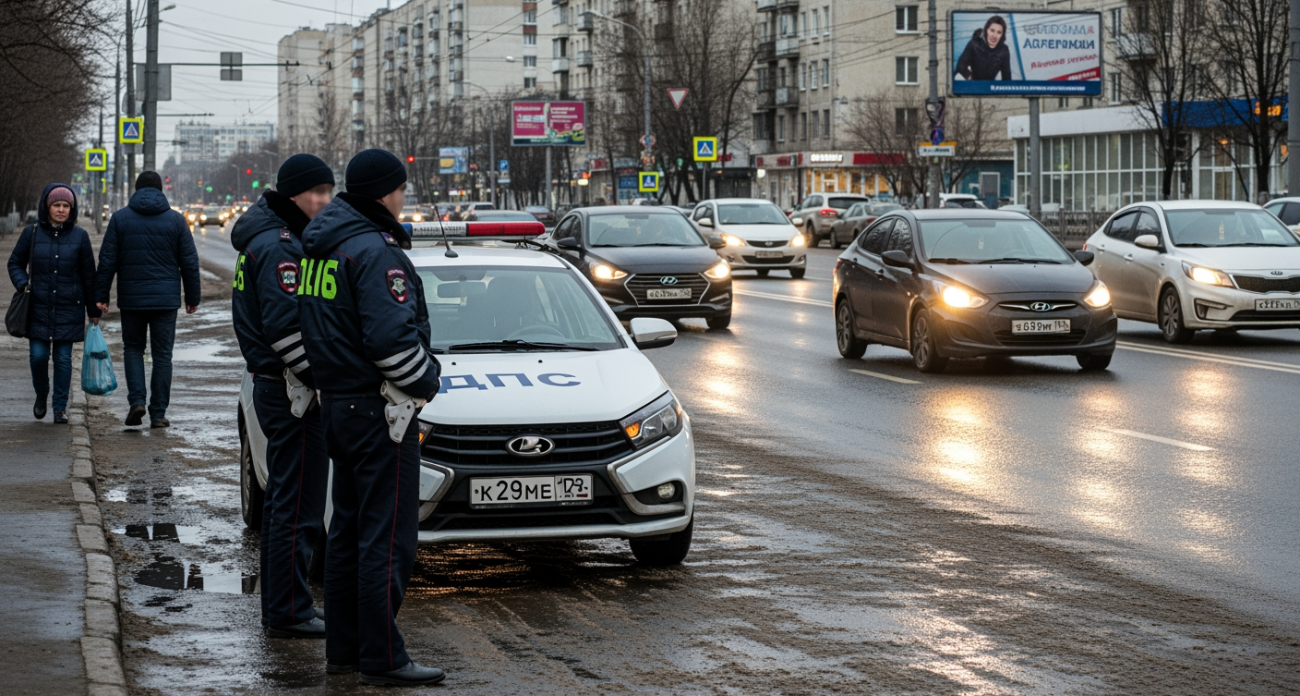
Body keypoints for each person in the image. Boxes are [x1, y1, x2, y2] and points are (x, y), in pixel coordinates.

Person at [299, 149, 445, 687]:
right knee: (387, 540)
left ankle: (344, 651)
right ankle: (383, 657)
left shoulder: (323, 248)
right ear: (386, 192)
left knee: (347, 533)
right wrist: (429, 381)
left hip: (339, 405)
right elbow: (391, 343)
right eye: (401, 189)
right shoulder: (375, 252)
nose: (404, 198)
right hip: (381, 411)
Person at [230, 154, 335, 639]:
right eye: (318, 193)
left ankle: (284, 606)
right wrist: (326, 380)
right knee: (299, 507)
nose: (325, 201)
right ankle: (289, 611)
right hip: (291, 391)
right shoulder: (279, 246)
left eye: (329, 192)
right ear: (294, 195)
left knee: (285, 503)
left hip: (278, 386)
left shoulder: (272, 237)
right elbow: (286, 330)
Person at [95, 171, 200, 428]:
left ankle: (137, 402)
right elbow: (189, 262)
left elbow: (107, 261)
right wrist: (192, 297)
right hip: (166, 300)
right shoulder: (176, 220)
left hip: (132, 299)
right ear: (161, 190)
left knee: (133, 349)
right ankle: (158, 413)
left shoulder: (120, 219)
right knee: (163, 355)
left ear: (136, 189)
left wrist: (101, 296)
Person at [7, 184, 101, 424]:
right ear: (47, 207)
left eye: (66, 206)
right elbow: (15, 263)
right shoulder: (31, 233)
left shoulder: (80, 236)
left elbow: (89, 276)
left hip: (69, 307)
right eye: (56, 205)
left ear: (72, 209)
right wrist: (23, 284)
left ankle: (59, 407)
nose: (61, 210)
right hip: (38, 306)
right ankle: (42, 393)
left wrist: (93, 310)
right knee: (38, 356)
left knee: (63, 359)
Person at [955, 15, 1012, 81]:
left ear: (1002, 35)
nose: (994, 36)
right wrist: (970, 78)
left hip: (989, 85)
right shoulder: (974, 43)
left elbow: (1007, 77)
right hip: (972, 82)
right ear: (986, 30)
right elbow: (961, 65)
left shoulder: (1004, 50)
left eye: (999, 32)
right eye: (992, 30)